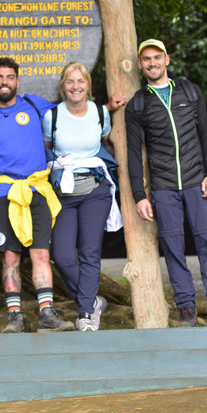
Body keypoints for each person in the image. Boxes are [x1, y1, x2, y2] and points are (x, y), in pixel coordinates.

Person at [125, 39, 207, 327]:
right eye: (147, 59)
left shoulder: (190, 91)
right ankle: (186, 308)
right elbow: (131, 153)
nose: (152, 63)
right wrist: (140, 195)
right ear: (140, 64)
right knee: (174, 249)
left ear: (167, 60)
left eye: (157, 57)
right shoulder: (138, 104)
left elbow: (206, 133)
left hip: (196, 182)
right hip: (163, 188)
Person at [0, 57, 73, 333]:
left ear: (18, 80)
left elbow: (72, 112)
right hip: (3, 193)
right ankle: (14, 317)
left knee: (41, 252)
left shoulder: (34, 105)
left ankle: (46, 314)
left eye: (10, 77)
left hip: (37, 188)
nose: (5, 82)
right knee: (10, 257)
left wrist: (108, 107)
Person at [41, 61, 126, 331]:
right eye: (70, 81)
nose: (75, 86)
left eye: (80, 81)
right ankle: (92, 300)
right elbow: (46, 150)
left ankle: (86, 314)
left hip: (95, 190)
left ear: (88, 85)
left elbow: (108, 141)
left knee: (90, 253)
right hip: (64, 192)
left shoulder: (101, 113)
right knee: (63, 255)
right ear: (63, 85)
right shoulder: (52, 117)